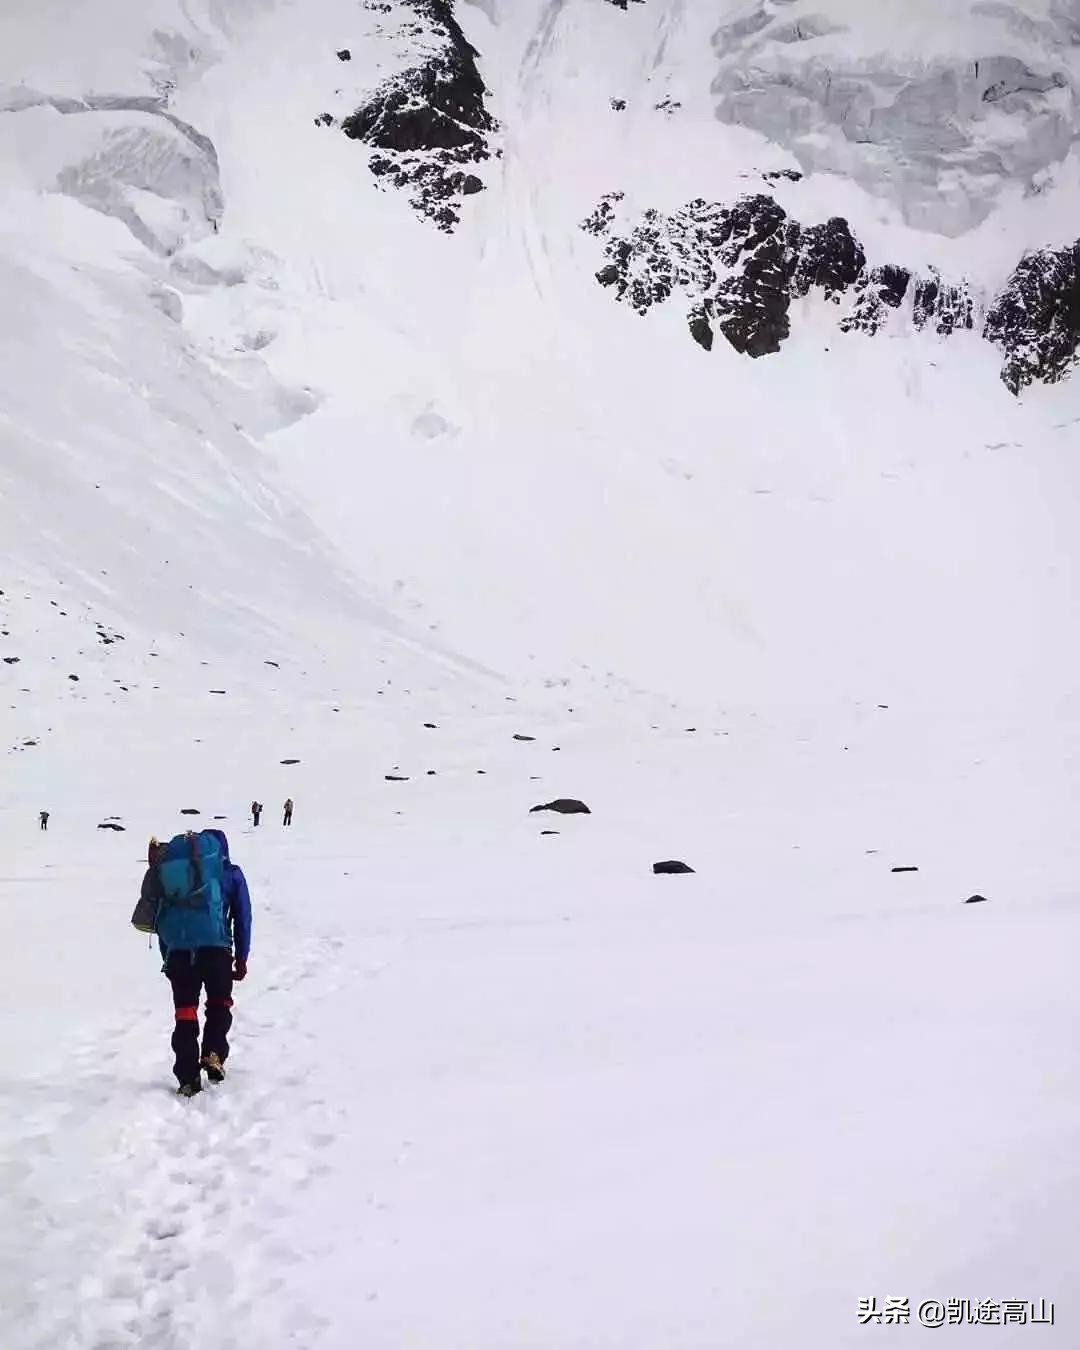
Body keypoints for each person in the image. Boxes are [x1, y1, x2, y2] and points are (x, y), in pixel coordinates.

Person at [141, 830, 251, 1096]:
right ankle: (213, 1052)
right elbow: (242, 916)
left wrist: (168, 956)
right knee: (218, 1004)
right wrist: (241, 956)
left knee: (185, 1013)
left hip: (179, 952)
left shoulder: (180, 877)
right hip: (217, 950)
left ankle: (188, 1077)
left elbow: (164, 916)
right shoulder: (231, 874)